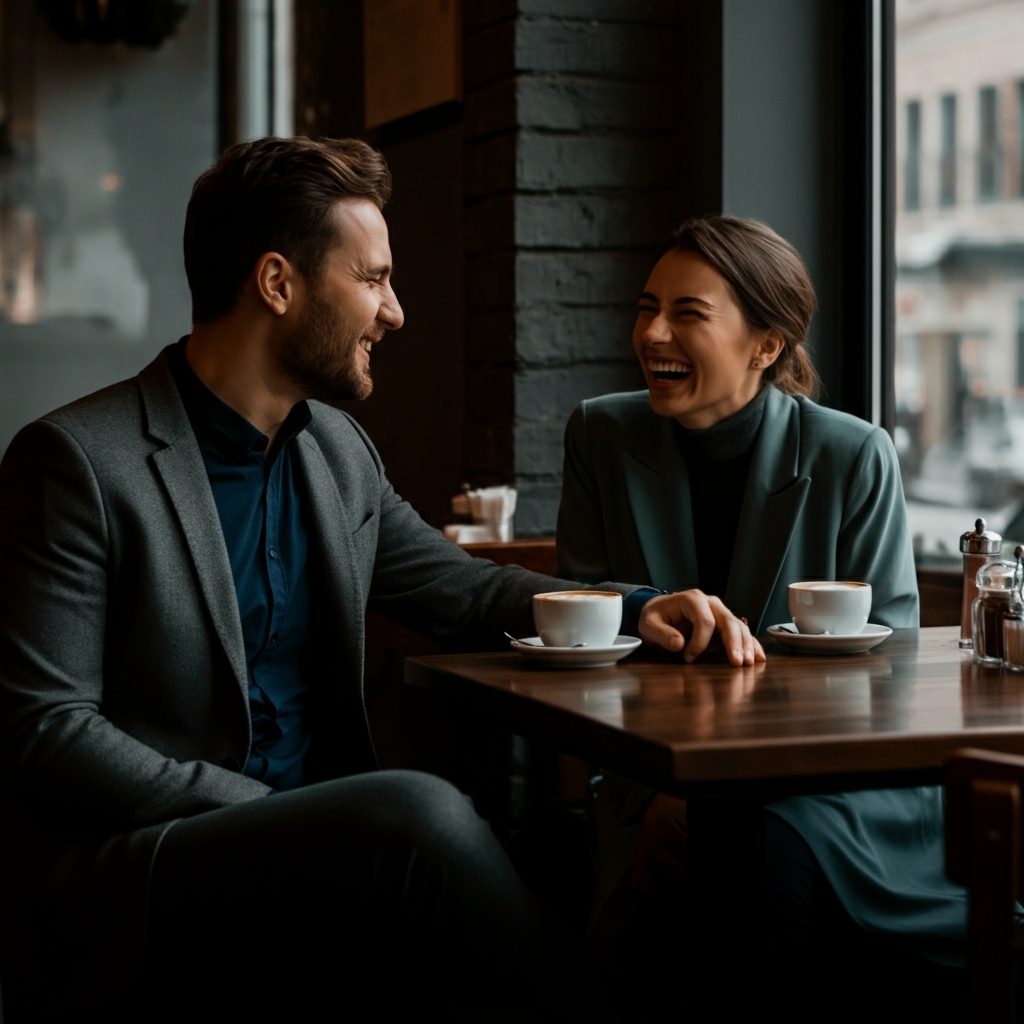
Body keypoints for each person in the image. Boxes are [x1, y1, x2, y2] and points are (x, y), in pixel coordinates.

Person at [0, 138, 764, 1023]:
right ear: (278, 283)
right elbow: (45, 734)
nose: (395, 312)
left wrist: (642, 605)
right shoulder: (76, 462)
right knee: (418, 814)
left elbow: (469, 593)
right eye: (373, 279)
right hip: (141, 865)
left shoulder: (336, 452)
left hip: (325, 842)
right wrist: (267, 809)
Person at [556, 216, 969, 1019]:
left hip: (841, 789)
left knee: (749, 857)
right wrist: (673, 792)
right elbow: (588, 642)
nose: (653, 333)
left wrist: (716, 796)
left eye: (688, 313)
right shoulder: (601, 435)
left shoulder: (854, 455)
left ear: (767, 346)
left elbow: (887, 678)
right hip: (655, 781)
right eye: (647, 307)